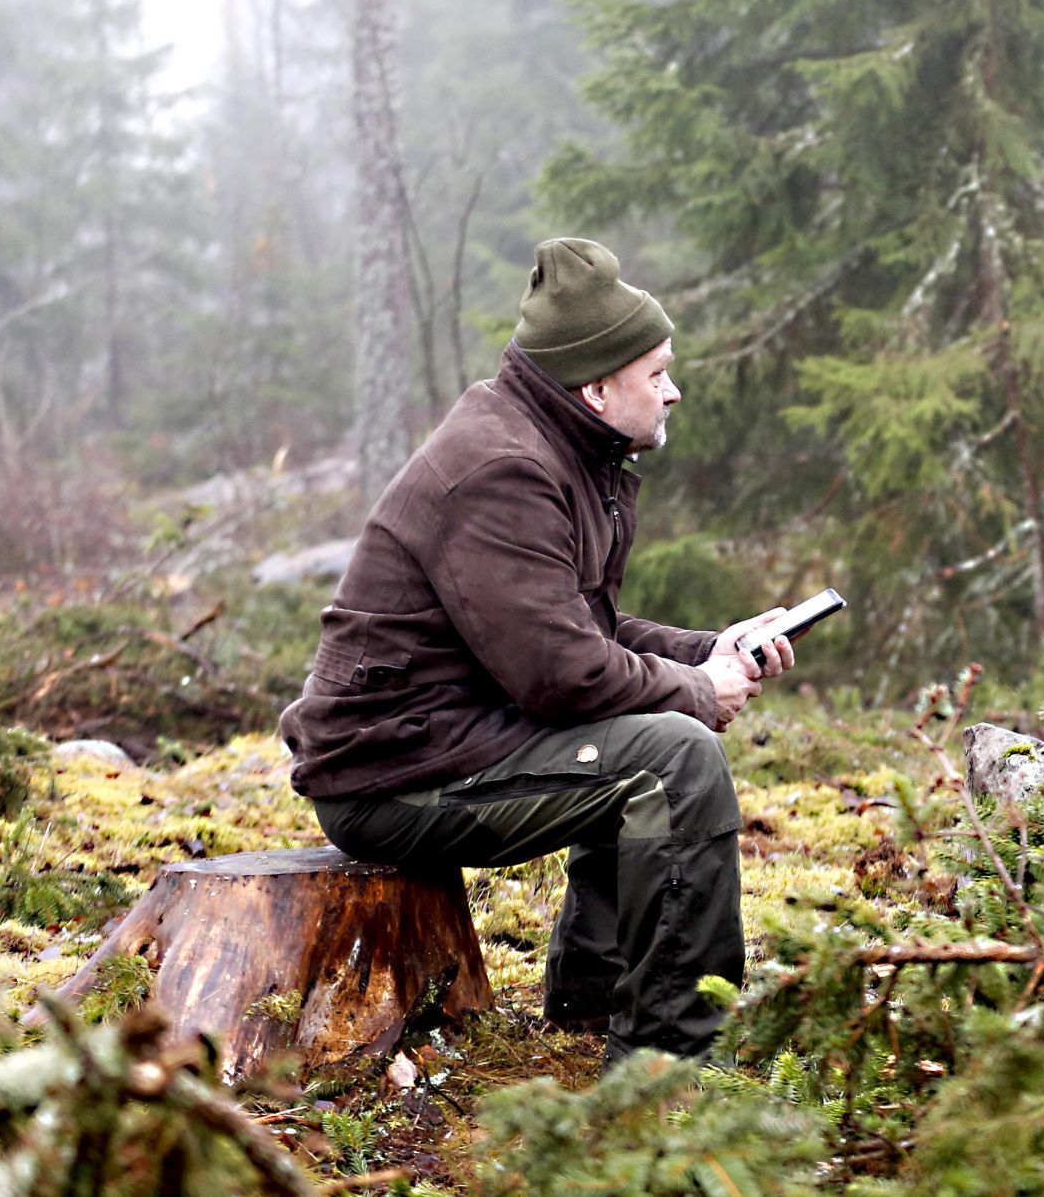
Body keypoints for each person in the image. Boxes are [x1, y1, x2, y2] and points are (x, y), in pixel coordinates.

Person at [279, 237, 796, 1067]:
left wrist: (711, 649)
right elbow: (563, 676)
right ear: (597, 386)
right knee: (674, 760)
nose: (674, 390)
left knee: (646, 732)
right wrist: (697, 689)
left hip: (440, 739)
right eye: (656, 373)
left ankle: (595, 1004)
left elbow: (575, 628)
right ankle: (668, 1064)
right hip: (394, 775)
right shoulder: (504, 469)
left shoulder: (556, 445)